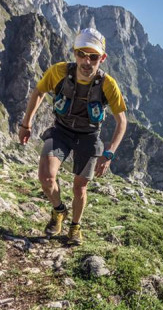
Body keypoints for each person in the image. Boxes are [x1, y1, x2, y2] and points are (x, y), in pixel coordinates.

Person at [18, 28, 127, 245]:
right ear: (74, 53)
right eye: (81, 55)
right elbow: (39, 92)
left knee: (80, 187)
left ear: (102, 58)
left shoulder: (108, 85)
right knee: (47, 177)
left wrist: (109, 153)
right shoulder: (59, 72)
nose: (87, 62)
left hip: (89, 136)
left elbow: (122, 121)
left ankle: (75, 226)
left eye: (93, 57)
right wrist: (26, 123)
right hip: (61, 130)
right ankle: (59, 211)